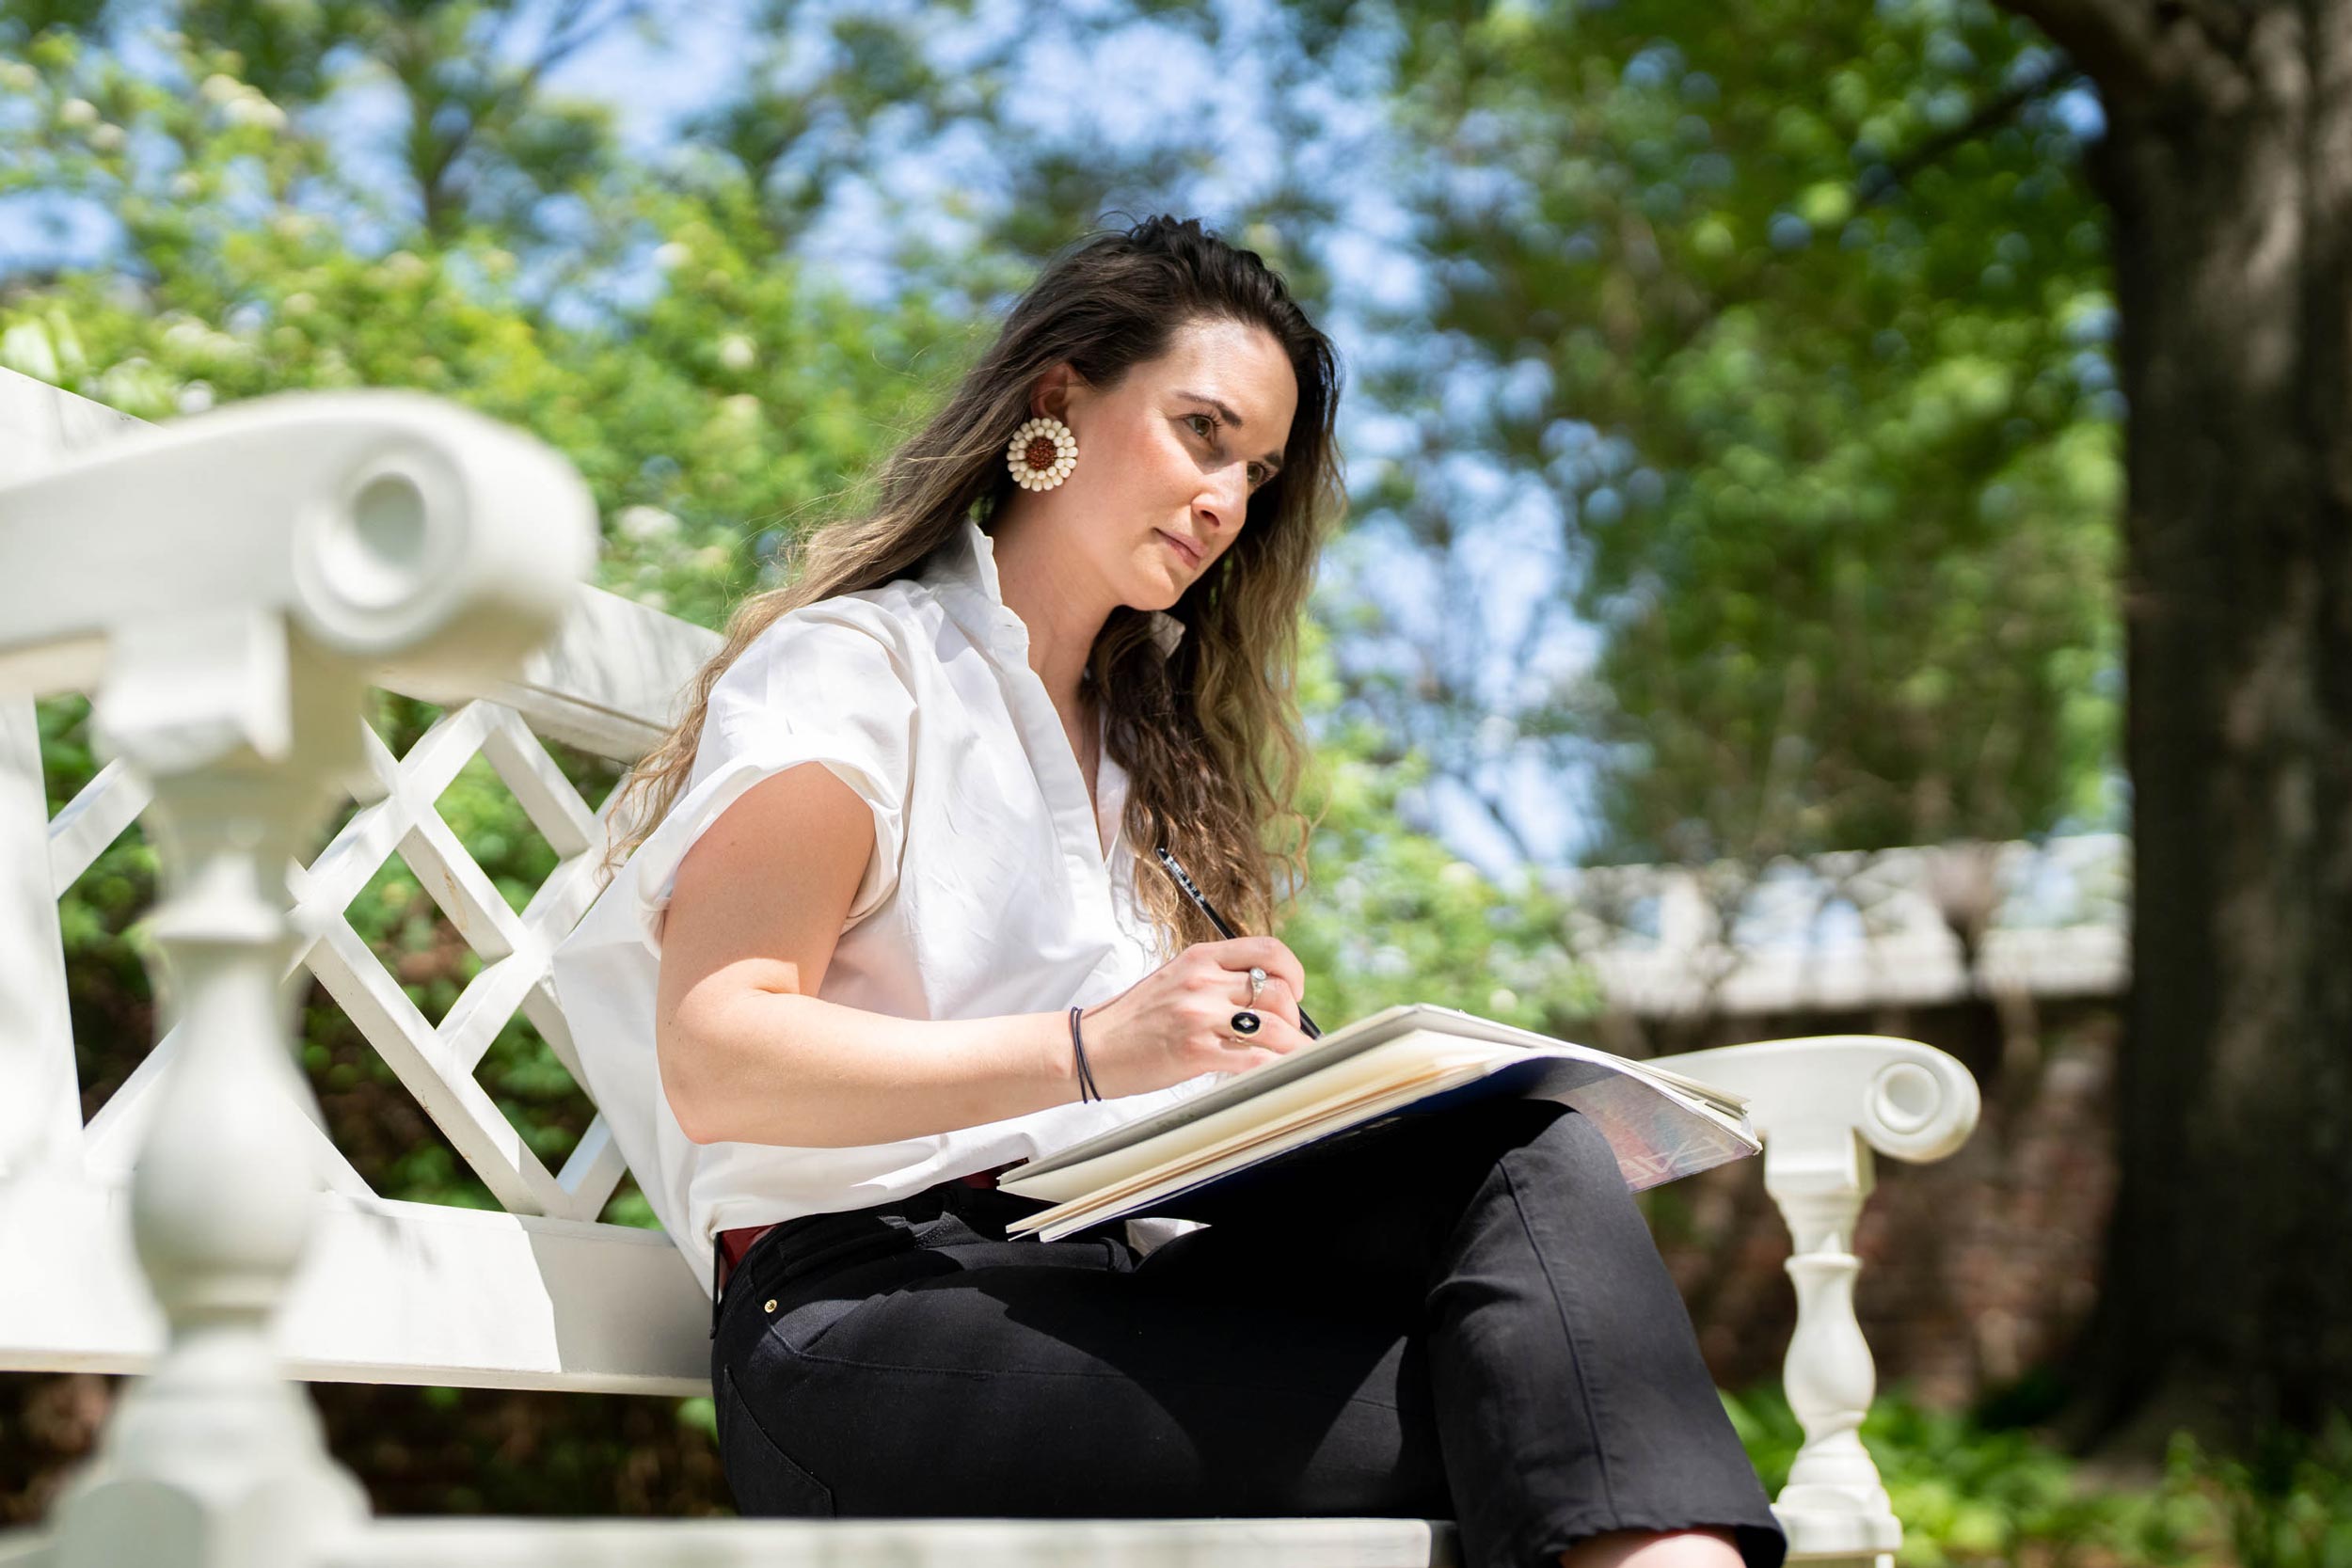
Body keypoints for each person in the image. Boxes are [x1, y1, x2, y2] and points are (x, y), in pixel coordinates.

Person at [548, 214, 1788, 1568]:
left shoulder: (1152, 770)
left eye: (1256, 471)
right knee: (1545, 1422)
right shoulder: (861, 672)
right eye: (1203, 432)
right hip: (864, 1325)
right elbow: (722, 1057)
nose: (1226, 500)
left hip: (1113, 1282)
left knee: (1520, 1153)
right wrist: (1093, 1049)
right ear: (1059, 399)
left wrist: (1288, 1084)